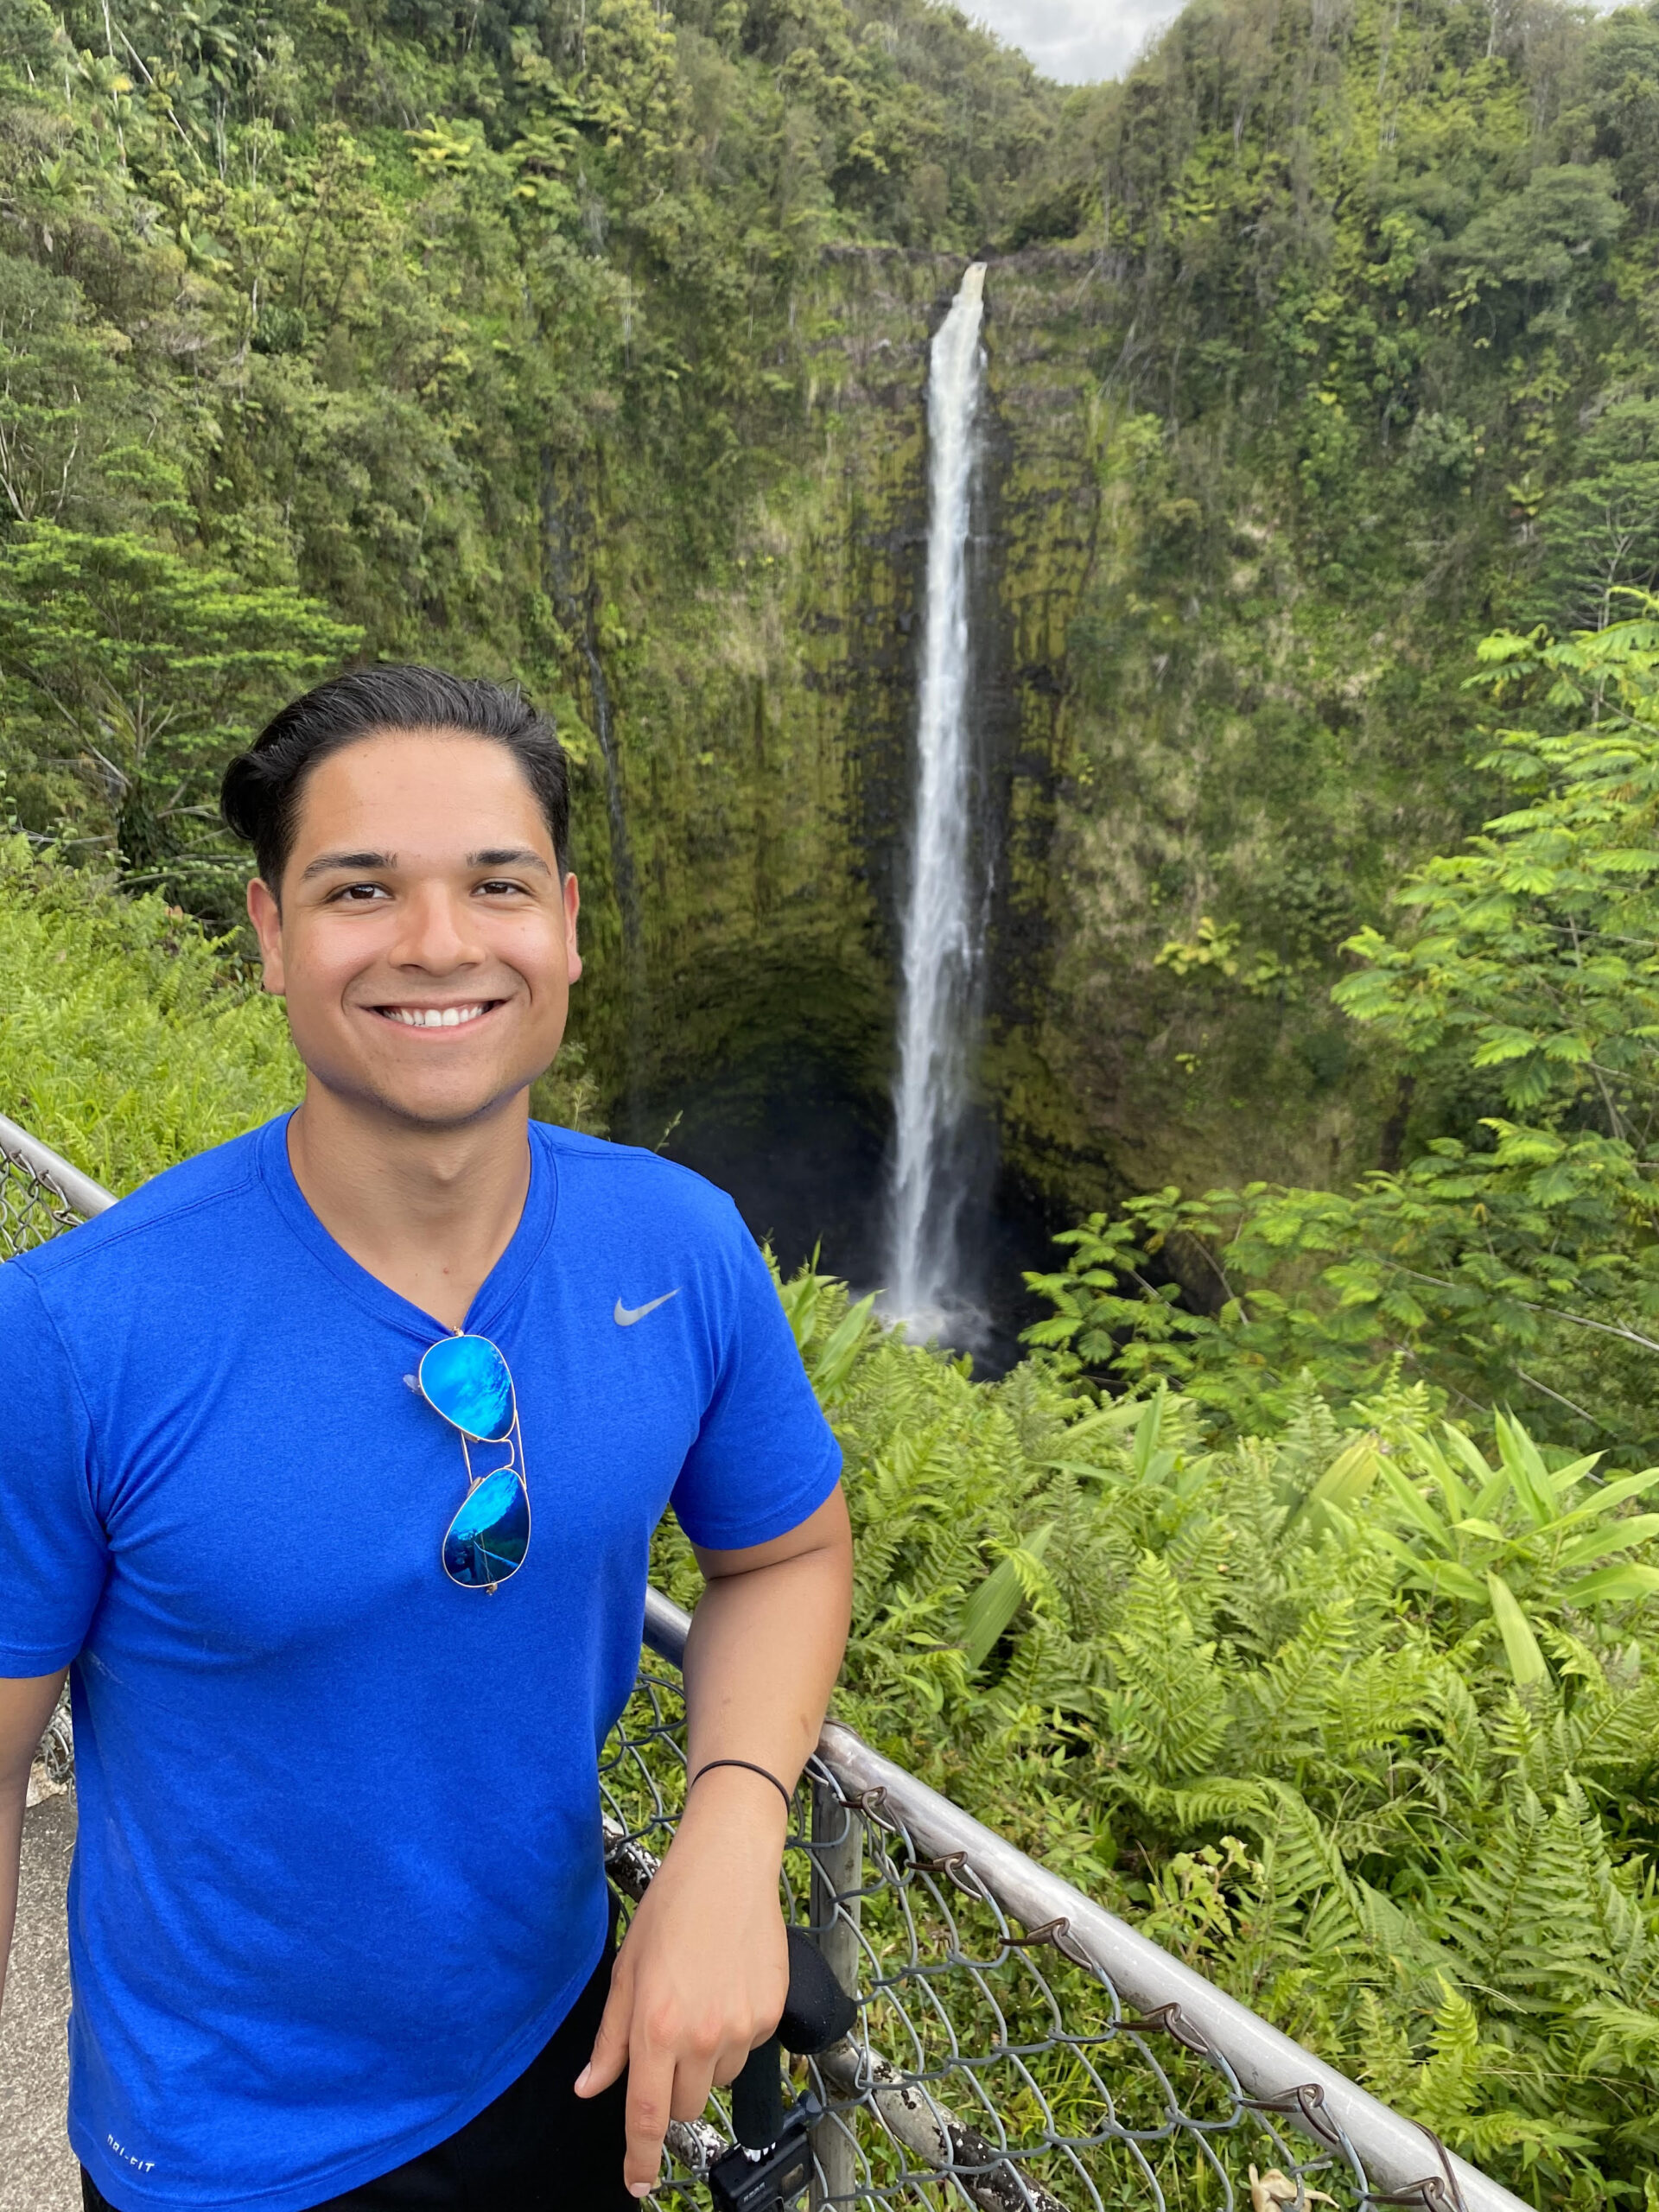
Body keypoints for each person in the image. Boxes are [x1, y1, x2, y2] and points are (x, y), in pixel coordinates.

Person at [0, 666, 853, 2212]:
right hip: (224, 2143)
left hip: (564, 2045)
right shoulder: (77, 1335)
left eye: (497, 884)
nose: (440, 942)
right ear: (268, 935)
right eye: (361, 889)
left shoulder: (679, 1247)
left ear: (570, 924)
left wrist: (733, 1824)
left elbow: (786, 1550)